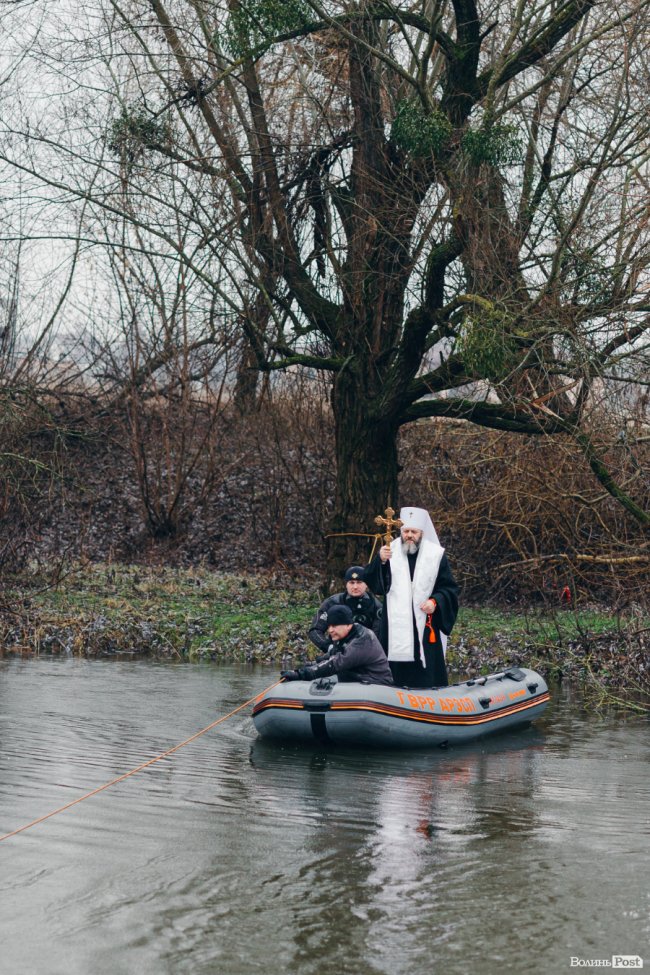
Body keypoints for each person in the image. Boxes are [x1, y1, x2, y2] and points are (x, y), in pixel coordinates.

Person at [364, 506, 459, 689]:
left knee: (425, 670)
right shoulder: (390, 550)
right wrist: (380, 561)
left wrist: (435, 601)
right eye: (406, 531)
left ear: (421, 533)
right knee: (393, 671)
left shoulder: (436, 555)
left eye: (413, 532)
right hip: (394, 623)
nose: (409, 536)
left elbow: (448, 588)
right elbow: (376, 584)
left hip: (424, 623)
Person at [282, 605, 394, 686]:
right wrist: (309, 665)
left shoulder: (362, 640)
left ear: (348, 625)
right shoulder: (344, 635)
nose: (330, 630)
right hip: (357, 683)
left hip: (376, 684)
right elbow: (331, 655)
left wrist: (301, 675)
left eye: (334, 625)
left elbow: (336, 663)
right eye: (329, 626)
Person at [307, 565, 382, 655]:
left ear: (366, 584)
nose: (355, 587)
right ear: (346, 584)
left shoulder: (377, 606)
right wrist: (328, 647)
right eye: (351, 582)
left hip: (367, 655)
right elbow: (315, 630)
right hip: (338, 654)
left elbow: (378, 636)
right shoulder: (332, 603)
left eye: (359, 582)